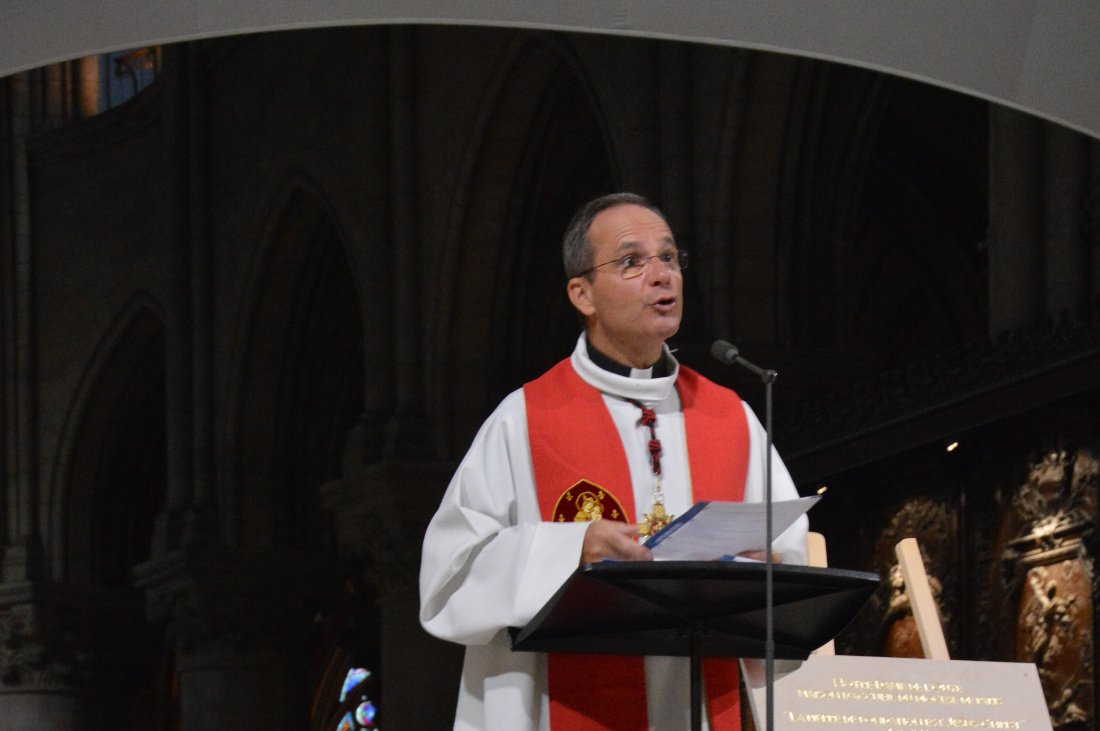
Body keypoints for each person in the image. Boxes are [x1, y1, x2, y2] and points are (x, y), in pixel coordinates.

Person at [419, 192, 808, 730]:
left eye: (669, 258)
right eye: (631, 261)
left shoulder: (731, 417)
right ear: (582, 293)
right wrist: (570, 548)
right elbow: (451, 575)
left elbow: (788, 559)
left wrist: (762, 565)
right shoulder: (526, 418)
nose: (661, 275)